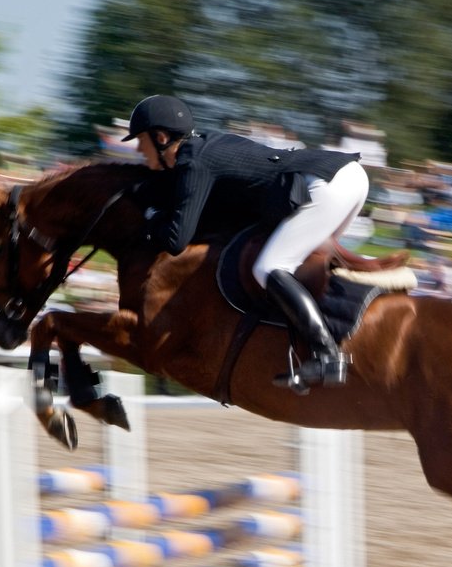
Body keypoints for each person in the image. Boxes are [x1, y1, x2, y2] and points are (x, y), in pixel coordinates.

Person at [120, 94, 369, 393]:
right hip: (348, 177)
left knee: (269, 268)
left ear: (160, 138)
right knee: (301, 267)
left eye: (140, 140)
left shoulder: (193, 161)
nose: (137, 148)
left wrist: (146, 223)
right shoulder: (203, 145)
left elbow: (176, 240)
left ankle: (327, 356)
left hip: (327, 183)